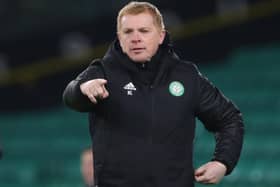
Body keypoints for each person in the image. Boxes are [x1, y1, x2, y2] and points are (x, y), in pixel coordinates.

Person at [63, 1, 244, 187]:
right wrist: (82, 89)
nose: (136, 38)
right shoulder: (103, 72)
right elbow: (71, 95)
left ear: (160, 35)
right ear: (119, 37)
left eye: (144, 31)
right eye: (128, 32)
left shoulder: (187, 76)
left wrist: (222, 162)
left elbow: (229, 118)